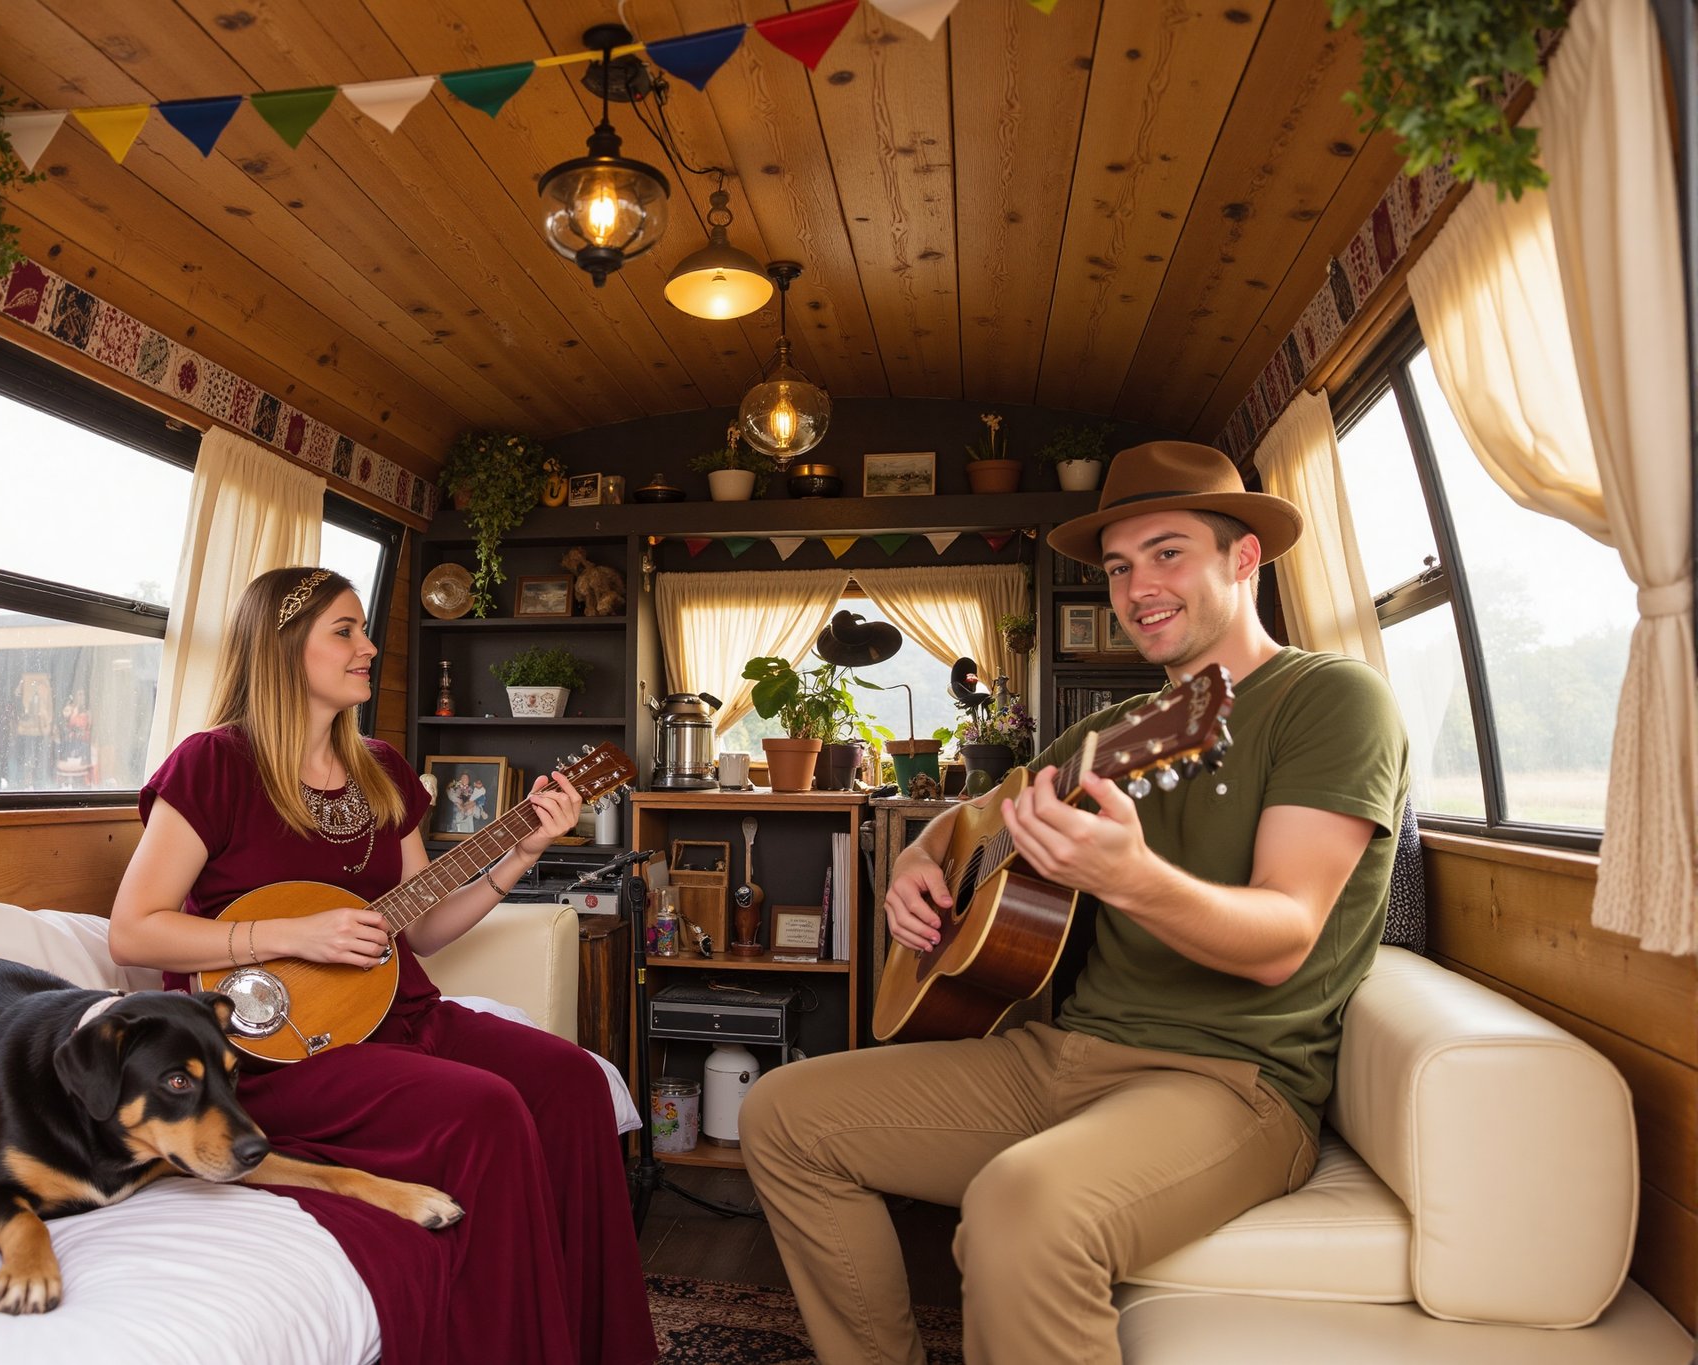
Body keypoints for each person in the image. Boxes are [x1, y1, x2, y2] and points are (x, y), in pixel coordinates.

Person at [741, 441, 1410, 1364]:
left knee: (1019, 1209)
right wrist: (917, 865)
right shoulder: (1111, 731)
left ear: (1244, 557)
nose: (1139, 587)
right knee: (781, 1114)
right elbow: (971, 817)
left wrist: (1133, 876)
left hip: (1229, 1082)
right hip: (1056, 1056)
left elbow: (1283, 938)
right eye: (1121, 566)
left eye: (1168, 552)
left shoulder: (1331, 700)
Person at [109, 565, 656, 1365]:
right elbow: (133, 931)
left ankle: (597, 1348)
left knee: (573, 1082)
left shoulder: (382, 769)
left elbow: (423, 928)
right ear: (284, 647)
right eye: (346, 630)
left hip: (406, 1016)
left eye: (365, 629)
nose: (369, 647)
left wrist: (518, 852)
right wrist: (289, 937)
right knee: (487, 1109)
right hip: (278, 1050)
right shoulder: (213, 765)